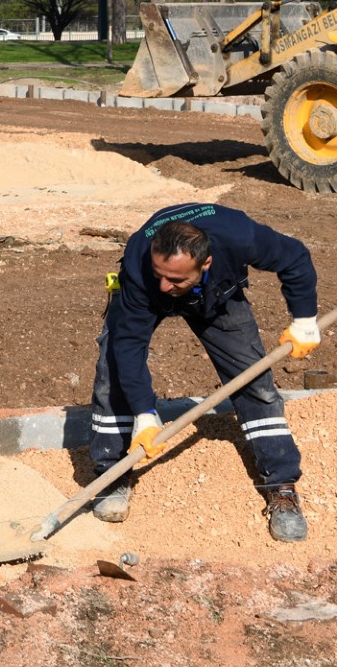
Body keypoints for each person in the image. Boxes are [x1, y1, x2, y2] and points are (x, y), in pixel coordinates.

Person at [89, 202, 320, 541]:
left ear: (205, 262)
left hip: (215, 295)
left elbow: (295, 257)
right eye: (161, 275)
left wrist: (304, 320)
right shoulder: (142, 266)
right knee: (113, 370)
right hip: (142, 296)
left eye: (176, 279)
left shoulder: (240, 236)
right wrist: (144, 413)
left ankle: (281, 486)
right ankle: (112, 476)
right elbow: (130, 347)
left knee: (254, 379)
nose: (167, 286)